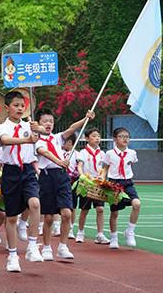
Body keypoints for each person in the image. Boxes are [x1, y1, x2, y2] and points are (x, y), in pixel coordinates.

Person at [35, 108, 95, 262]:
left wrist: (85, 118)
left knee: (67, 213)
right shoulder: (35, 140)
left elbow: (72, 128)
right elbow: (45, 153)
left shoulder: (57, 138)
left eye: (51, 121)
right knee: (48, 217)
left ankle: (63, 246)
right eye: (45, 121)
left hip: (62, 177)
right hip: (47, 177)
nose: (48, 124)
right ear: (38, 123)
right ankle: (47, 247)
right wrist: (60, 161)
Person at [0, 91, 43, 272]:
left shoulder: (30, 125)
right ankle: (13, 256)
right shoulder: (2, 127)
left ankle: (32, 246)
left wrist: (38, 129)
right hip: (11, 172)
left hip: (28, 171)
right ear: (7, 108)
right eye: (15, 105)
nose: (19, 108)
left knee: (35, 203)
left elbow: (45, 132)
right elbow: (5, 141)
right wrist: (27, 139)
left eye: (22, 106)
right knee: (11, 217)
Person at [101, 127, 140, 249]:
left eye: (127, 137)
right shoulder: (109, 154)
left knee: (137, 204)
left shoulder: (132, 153)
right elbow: (105, 168)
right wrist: (102, 179)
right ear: (115, 139)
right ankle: (113, 237)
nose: (124, 139)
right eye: (121, 136)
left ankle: (130, 231)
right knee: (114, 212)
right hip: (114, 184)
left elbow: (131, 164)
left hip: (128, 183)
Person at [76, 127, 109, 244]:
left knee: (100, 209)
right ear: (86, 138)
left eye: (98, 136)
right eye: (94, 136)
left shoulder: (102, 153)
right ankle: (80, 232)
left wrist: (103, 177)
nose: (97, 138)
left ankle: (100, 234)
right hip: (87, 183)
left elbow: (105, 168)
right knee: (85, 209)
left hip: (99, 184)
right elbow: (80, 166)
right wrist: (82, 176)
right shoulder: (83, 153)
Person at [62, 133, 79, 239]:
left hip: (72, 182)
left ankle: (71, 228)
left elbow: (78, 168)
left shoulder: (77, 154)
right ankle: (56, 226)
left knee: (72, 206)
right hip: (60, 180)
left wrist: (73, 176)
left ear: (69, 142)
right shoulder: (59, 153)